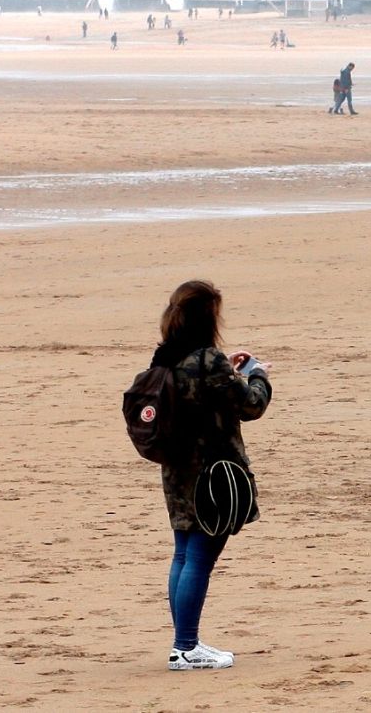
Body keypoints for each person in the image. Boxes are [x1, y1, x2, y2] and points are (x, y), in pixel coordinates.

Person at [149, 280, 272, 671]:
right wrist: (257, 375)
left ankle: (184, 641)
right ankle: (186, 646)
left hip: (177, 470)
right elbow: (250, 406)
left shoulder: (165, 359)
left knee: (184, 553)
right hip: (215, 473)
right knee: (199, 557)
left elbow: (201, 392)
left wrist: (230, 370)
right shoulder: (207, 361)